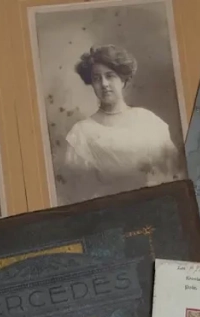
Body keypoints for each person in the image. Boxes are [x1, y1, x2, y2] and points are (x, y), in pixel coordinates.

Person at [61, 45, 184, 203]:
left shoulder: (148, 120)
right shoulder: (82, 133)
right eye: (97, 79)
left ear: (123, 80)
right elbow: (78, 191)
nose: (104, 84)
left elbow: (174, 171)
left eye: (110, 76)